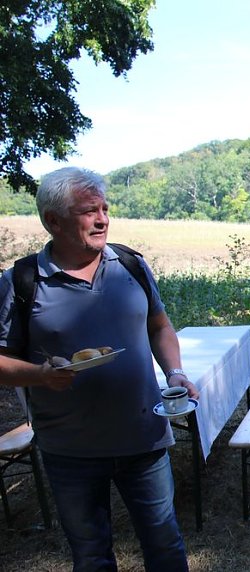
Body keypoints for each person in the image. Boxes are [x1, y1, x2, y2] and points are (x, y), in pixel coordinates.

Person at [0, 167, 199, 571]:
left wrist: (175, 372)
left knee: (166, 547)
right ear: (52, 221)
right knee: (91, 557)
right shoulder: (21, 281)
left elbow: (159, 326)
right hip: (70, 450)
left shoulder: (131, 265)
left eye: (105, 208)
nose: (103, 219)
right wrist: (39, 375)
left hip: (144, 439)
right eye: (89, 211)